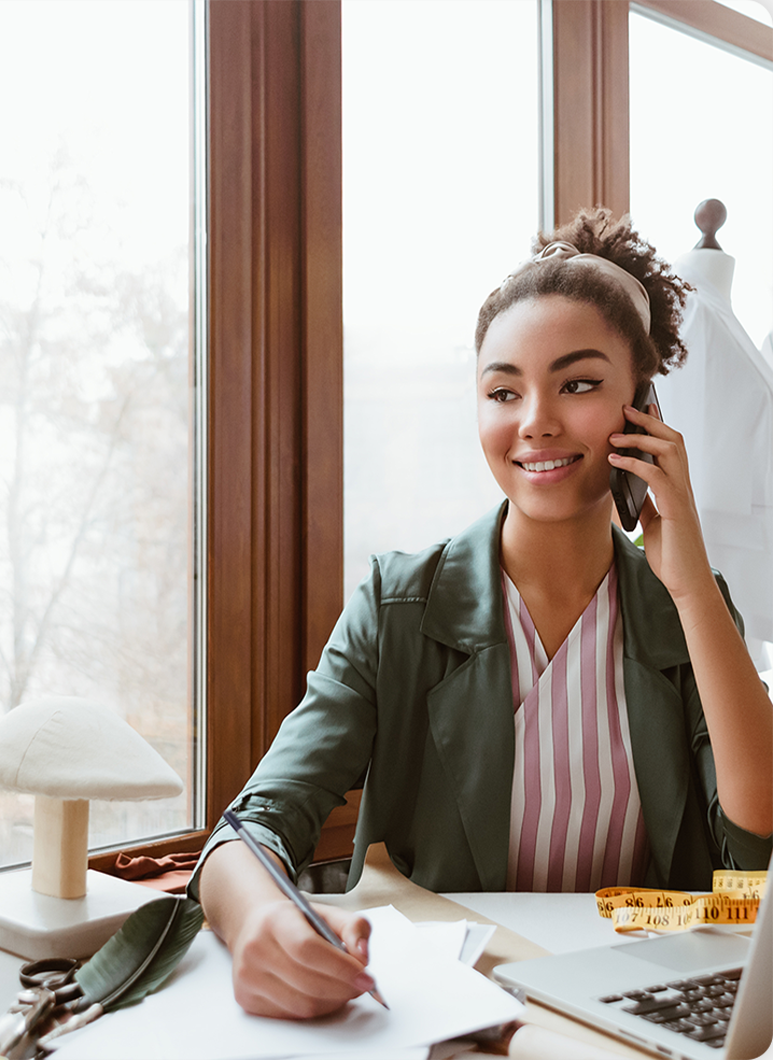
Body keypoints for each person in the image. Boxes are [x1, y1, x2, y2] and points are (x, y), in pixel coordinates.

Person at [189, 208, 773, 1021]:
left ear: (640, 408)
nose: (534, 419)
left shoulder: (689, 607)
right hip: (453, 1009)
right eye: (503, 390)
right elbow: (254, 825)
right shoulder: (397, 607)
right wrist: (260, 919)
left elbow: (756, 848)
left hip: (639, 1007)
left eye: (576, 384)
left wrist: (690, 590)